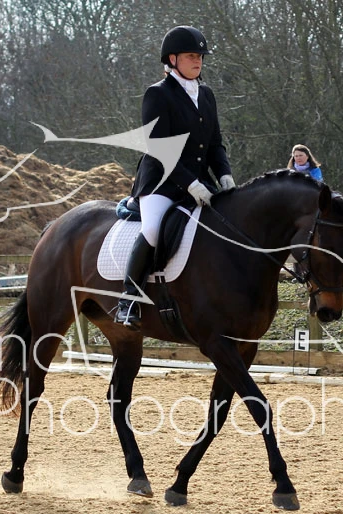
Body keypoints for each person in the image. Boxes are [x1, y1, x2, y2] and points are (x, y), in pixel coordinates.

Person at [115, 25, 236, 330]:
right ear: (172, 59)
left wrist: (224, 175)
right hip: (161, 182)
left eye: (200, 56)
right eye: (191, 55)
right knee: (153, 229)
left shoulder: (206, 95)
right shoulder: (158, 94)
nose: (198, 61)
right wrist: (190, 183)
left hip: (199, 181)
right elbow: (158, 148)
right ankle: (128, 300)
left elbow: (214, 143)